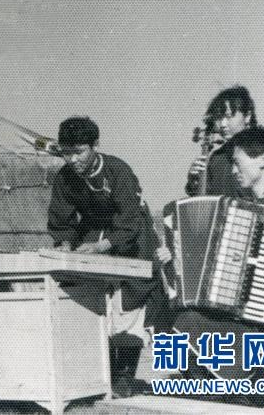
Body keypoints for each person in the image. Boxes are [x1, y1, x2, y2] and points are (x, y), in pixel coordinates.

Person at [160, 127, 264, 411]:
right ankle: (225, 396)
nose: (233, 171)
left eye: (238, 163)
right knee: (187, 321)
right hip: (243, 311)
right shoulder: (236, 208)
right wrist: (176, 256)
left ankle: (259, 398)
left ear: (262, 160)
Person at [47, 117, 162, 398]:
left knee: (128, 304)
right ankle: (98, 374)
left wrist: (101, 247)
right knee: (90, 300)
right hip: (93, 235)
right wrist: (65, 244)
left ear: (95, 145)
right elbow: (61, 219)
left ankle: (123, 377)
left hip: (132, 237)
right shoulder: (64, 177)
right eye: (67, 153)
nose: (73, 159)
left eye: (79, 152)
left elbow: (130, 221)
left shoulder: (118, 171)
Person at [185, 86, 257, 197]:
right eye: (219, 118)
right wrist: (194, 181)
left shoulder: (261, 151)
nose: (223, 124)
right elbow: (203, 201)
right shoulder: (216, 158)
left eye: (228, 116)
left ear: (247, 116)